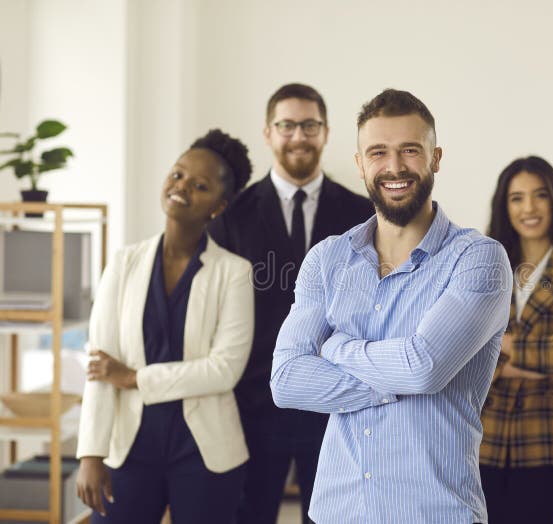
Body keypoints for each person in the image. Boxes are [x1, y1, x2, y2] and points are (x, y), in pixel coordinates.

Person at [270, 89, 513, 524]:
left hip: (435, 513)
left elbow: (423, 368)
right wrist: (398, 379)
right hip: (338, 511)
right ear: (361, 163)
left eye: (410, 151)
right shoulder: (328, 259)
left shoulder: (479, 259)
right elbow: (286, 380)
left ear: (435, 158)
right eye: (378, 152)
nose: (395, 167)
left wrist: (335, 348)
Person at [206, 83, 373, 524]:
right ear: (267, 133)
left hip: (336, 401)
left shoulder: (362, 214)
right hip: (255, 404)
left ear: (326, 132)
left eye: (309, 125)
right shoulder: (231, 217)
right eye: (287, 125)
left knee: (333, 517)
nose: (298, 136)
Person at [75, 129, 255, 523]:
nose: (182, 187)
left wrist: (135, 378)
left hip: (205, 451)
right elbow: (100, 366)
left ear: (218, 207)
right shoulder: (123, 264)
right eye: (177, 175)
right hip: (130, 446)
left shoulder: (234, 273)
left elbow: (224, 370)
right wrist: (91, 452)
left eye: (200, 185)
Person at [480, 156, 553, 524]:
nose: (529, 208)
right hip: (483, 435)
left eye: (540, 196)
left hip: (549, 432)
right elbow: (465, 353)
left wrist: (505, 348)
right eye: (517, 198)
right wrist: (525, 364)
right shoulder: (486, 269)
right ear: (504, 206)